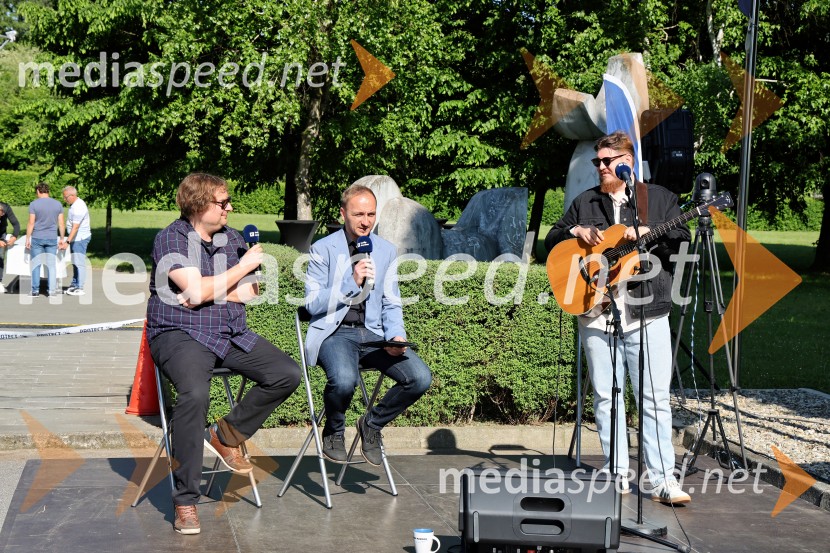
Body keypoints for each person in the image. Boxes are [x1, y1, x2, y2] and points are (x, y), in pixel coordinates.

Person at [146, 173, 300, 535]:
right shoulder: (171, 239)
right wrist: (237, 271)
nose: (230, 208)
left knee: (286, 373)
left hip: (228, 331)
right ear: (201, 205)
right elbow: (208, 289)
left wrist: (209, 291)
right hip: (178, 333)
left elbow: (251, 290)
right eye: (223, 202)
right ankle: (186, 500)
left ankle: (224, 434)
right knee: (195, 395)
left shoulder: (230, 238)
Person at [544, 131, 692, 504]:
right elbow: (553, 238)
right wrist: (576, 229)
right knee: (607, 398)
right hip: (595, 312)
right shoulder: (585, 201)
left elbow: (683, 236)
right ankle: (617, 475)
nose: (601, 168)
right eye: (598, 162)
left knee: (654, 398)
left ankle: (662, 480)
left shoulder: (657, 199)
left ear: (627, 161)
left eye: (607, 161)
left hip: (647, 312)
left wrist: (646, 232)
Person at [304, 183, 432, 467]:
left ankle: (371, 425)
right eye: (358, 214)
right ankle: (334, 431)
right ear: (343, 214)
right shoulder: (322, 249)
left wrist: (396, 334)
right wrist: (352, 281)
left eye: (371, 214)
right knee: (345, 381)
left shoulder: (385, 250)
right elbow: (312, 304)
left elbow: (391, 301)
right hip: (334, 334)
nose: (365, 221)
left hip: (373, 334)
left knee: (420, 378)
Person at [25, 183, 65, 297]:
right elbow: (61, 223)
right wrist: (62, 238)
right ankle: (52, 291)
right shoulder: (58, 204)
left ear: (38, 191)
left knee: (36, 264)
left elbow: (31, 223)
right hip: (52, 237)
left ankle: (35, 291)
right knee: (51, 265)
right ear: (48, 191)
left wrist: (28, 238)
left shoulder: (34, 204)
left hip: (38, 237)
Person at [62, 186, 91, 296]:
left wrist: (67, 242)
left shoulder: (78, 207)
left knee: (79, 263)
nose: (65, 199)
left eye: (66, 197)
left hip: (80, 239)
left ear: (72, 195)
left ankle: (80, 287)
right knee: (75, 262)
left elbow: (75, 227)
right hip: (76, 238)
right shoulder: (75, 204)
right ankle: (74, 284)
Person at [0, 201, 21, 294]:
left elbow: (16, 224)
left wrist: (14, 236)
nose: (2, 216)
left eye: (3, 214)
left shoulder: (6, 207)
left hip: (1, 232)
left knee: (0, 256)